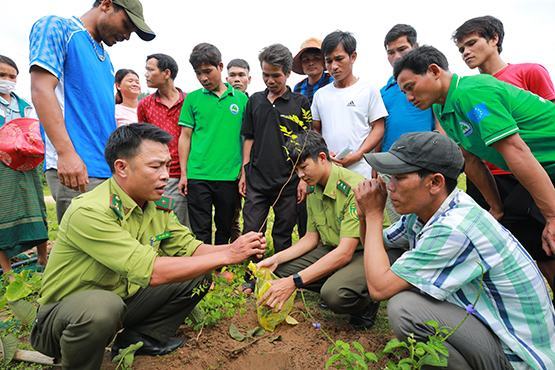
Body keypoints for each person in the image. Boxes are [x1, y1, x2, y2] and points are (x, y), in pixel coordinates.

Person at [30, 124, 266, 370]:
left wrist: (239, 248)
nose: (165, 174)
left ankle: (141, 338)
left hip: (122, 299)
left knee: (196, 274)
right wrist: (228, 254)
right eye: (155, 166)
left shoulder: (157, 205)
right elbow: (152, 271)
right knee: (102, 308)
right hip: (64, 319)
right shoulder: (90, 211)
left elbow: (190, 248)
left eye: (166, 165)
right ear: (121, 167)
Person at [356, 131, 555, 370]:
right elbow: (377, 244)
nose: (390, 187)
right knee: (389, 259)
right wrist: (365, 217)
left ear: (435, 183)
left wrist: (374, 214)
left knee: (405, 309)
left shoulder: (454, 227)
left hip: (518, 355)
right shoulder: (430, 210)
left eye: (400, 177)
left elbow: (379, 288)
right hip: (493, 328)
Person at [393, 46, 555, 292]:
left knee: (544, 229)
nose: (409, 97)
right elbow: (469, 159)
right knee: (521, 225)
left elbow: (517, 151)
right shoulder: (441, 106)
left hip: (545, 162)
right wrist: (496, 207)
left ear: (434, 71)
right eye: (404, 91)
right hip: (541, 167)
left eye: (410, 87)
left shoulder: (472, 93)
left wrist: (553, 216)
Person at [29, 0, 155, 223]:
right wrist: (66, 153)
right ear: (106, 4)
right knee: (82, 249)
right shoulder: (59, 28)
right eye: (126, 25)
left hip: (105, 167)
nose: (127, 36)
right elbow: (41, 89)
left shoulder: (106, 61)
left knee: (110, 247)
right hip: (77, 167)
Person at [453, 16, 555, 279]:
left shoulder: (529, 72)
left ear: (494, 39)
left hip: (527, 174)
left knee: (545, 246)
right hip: (487, 177)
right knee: (501, 247)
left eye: (471, 43)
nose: (466, 52)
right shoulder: (464, 90)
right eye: (461, 48)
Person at [258, 131, 380, 328]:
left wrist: (294, 282)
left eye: (304, 167)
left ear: (322, 158)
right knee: (281, 270)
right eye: (296, 170)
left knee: (334, 294)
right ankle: (337, 277)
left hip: (364, 252)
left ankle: (366, 301)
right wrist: (276, 258)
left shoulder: (352, 188)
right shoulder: (313, 187)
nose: (300, 175)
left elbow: (345, 252)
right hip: (334, 248)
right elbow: (310, 238)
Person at [240, 44, 311, 290]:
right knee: (252, 229)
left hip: (289, 180)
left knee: (283, 230)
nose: (270, 80)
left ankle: (280, 276)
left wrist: (303, 178)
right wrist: (244, 170)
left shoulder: (300, 103)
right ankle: (251, 277)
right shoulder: (255, 101)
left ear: (288, 73)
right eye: (265, 75)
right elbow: (248, 136)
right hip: (257, 178)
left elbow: (306, 142)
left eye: (276, 75)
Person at [178, 43, 247, 245]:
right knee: (201, 230)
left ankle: (222, 270)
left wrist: (244, 171)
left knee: (225, 227)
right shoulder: (192, 99)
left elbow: (247, 139)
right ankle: (203, 273)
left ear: (220, 66)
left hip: (229, 175)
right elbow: (185, 137)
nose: (203, 78)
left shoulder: (241, 100)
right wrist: (184, 173)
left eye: (207, 71)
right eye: (198, 73)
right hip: (198, 174)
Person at [311, 31, 387, 179]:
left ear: (353, 57)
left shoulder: (368, 90)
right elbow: (315, 130)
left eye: (339, 59)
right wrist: (325, 153)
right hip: (329, 170)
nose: (334, 66)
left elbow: (379, 127)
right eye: (329, 61)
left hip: (361, 170)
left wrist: (358, 154)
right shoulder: (320, 95)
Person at [380, 24, 436, 224]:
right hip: (389, 166)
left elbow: (441, 127)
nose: (396, 56)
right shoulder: (383, 91)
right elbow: (379, 130)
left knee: (426, 222)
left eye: (402, 49)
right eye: (390, 52)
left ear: (416, 47)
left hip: (421, 166)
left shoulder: (428, 83)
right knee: (397, 224)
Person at [0, 55, 48, 273]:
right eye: (2, 75)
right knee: (3, 212)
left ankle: (42, 259)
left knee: (35, 205)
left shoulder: (24, 106)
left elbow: (34, 131)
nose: (8, 80)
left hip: (25, 166)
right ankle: (8, 272)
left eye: (12, 76)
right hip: (2, 170)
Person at [138, 53, 190, 228]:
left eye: (150, 70)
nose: (145, 74)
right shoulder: (145, 105)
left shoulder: (189, 101)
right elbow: (143, 141)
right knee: (161, 223)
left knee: (187, 225)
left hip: (190, 174)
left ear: (166, 73)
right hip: (162, 175)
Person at [292, 37, 334, 239]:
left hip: (330, 152)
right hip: (306, 152)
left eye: (315, 57)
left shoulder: (333, 83)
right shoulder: (297, 89)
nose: (311, 62)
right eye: (305, 59)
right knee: (307, 207)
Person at [226, 58, 251, 242]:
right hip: (228, 167)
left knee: (249, 211)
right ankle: (232, 249)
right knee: (230, 214)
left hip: (250, 167)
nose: (237, 79)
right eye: (233, 75)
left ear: (249, 78)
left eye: (241, 75)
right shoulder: (223, 103)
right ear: (226, 78)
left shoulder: (254, 102)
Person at [292, 37, 333, 104]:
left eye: (316, 58)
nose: (311, 63)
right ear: (301, 64)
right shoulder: (298, 88)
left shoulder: (333, 82)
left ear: (324, 61)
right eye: (306, 60)